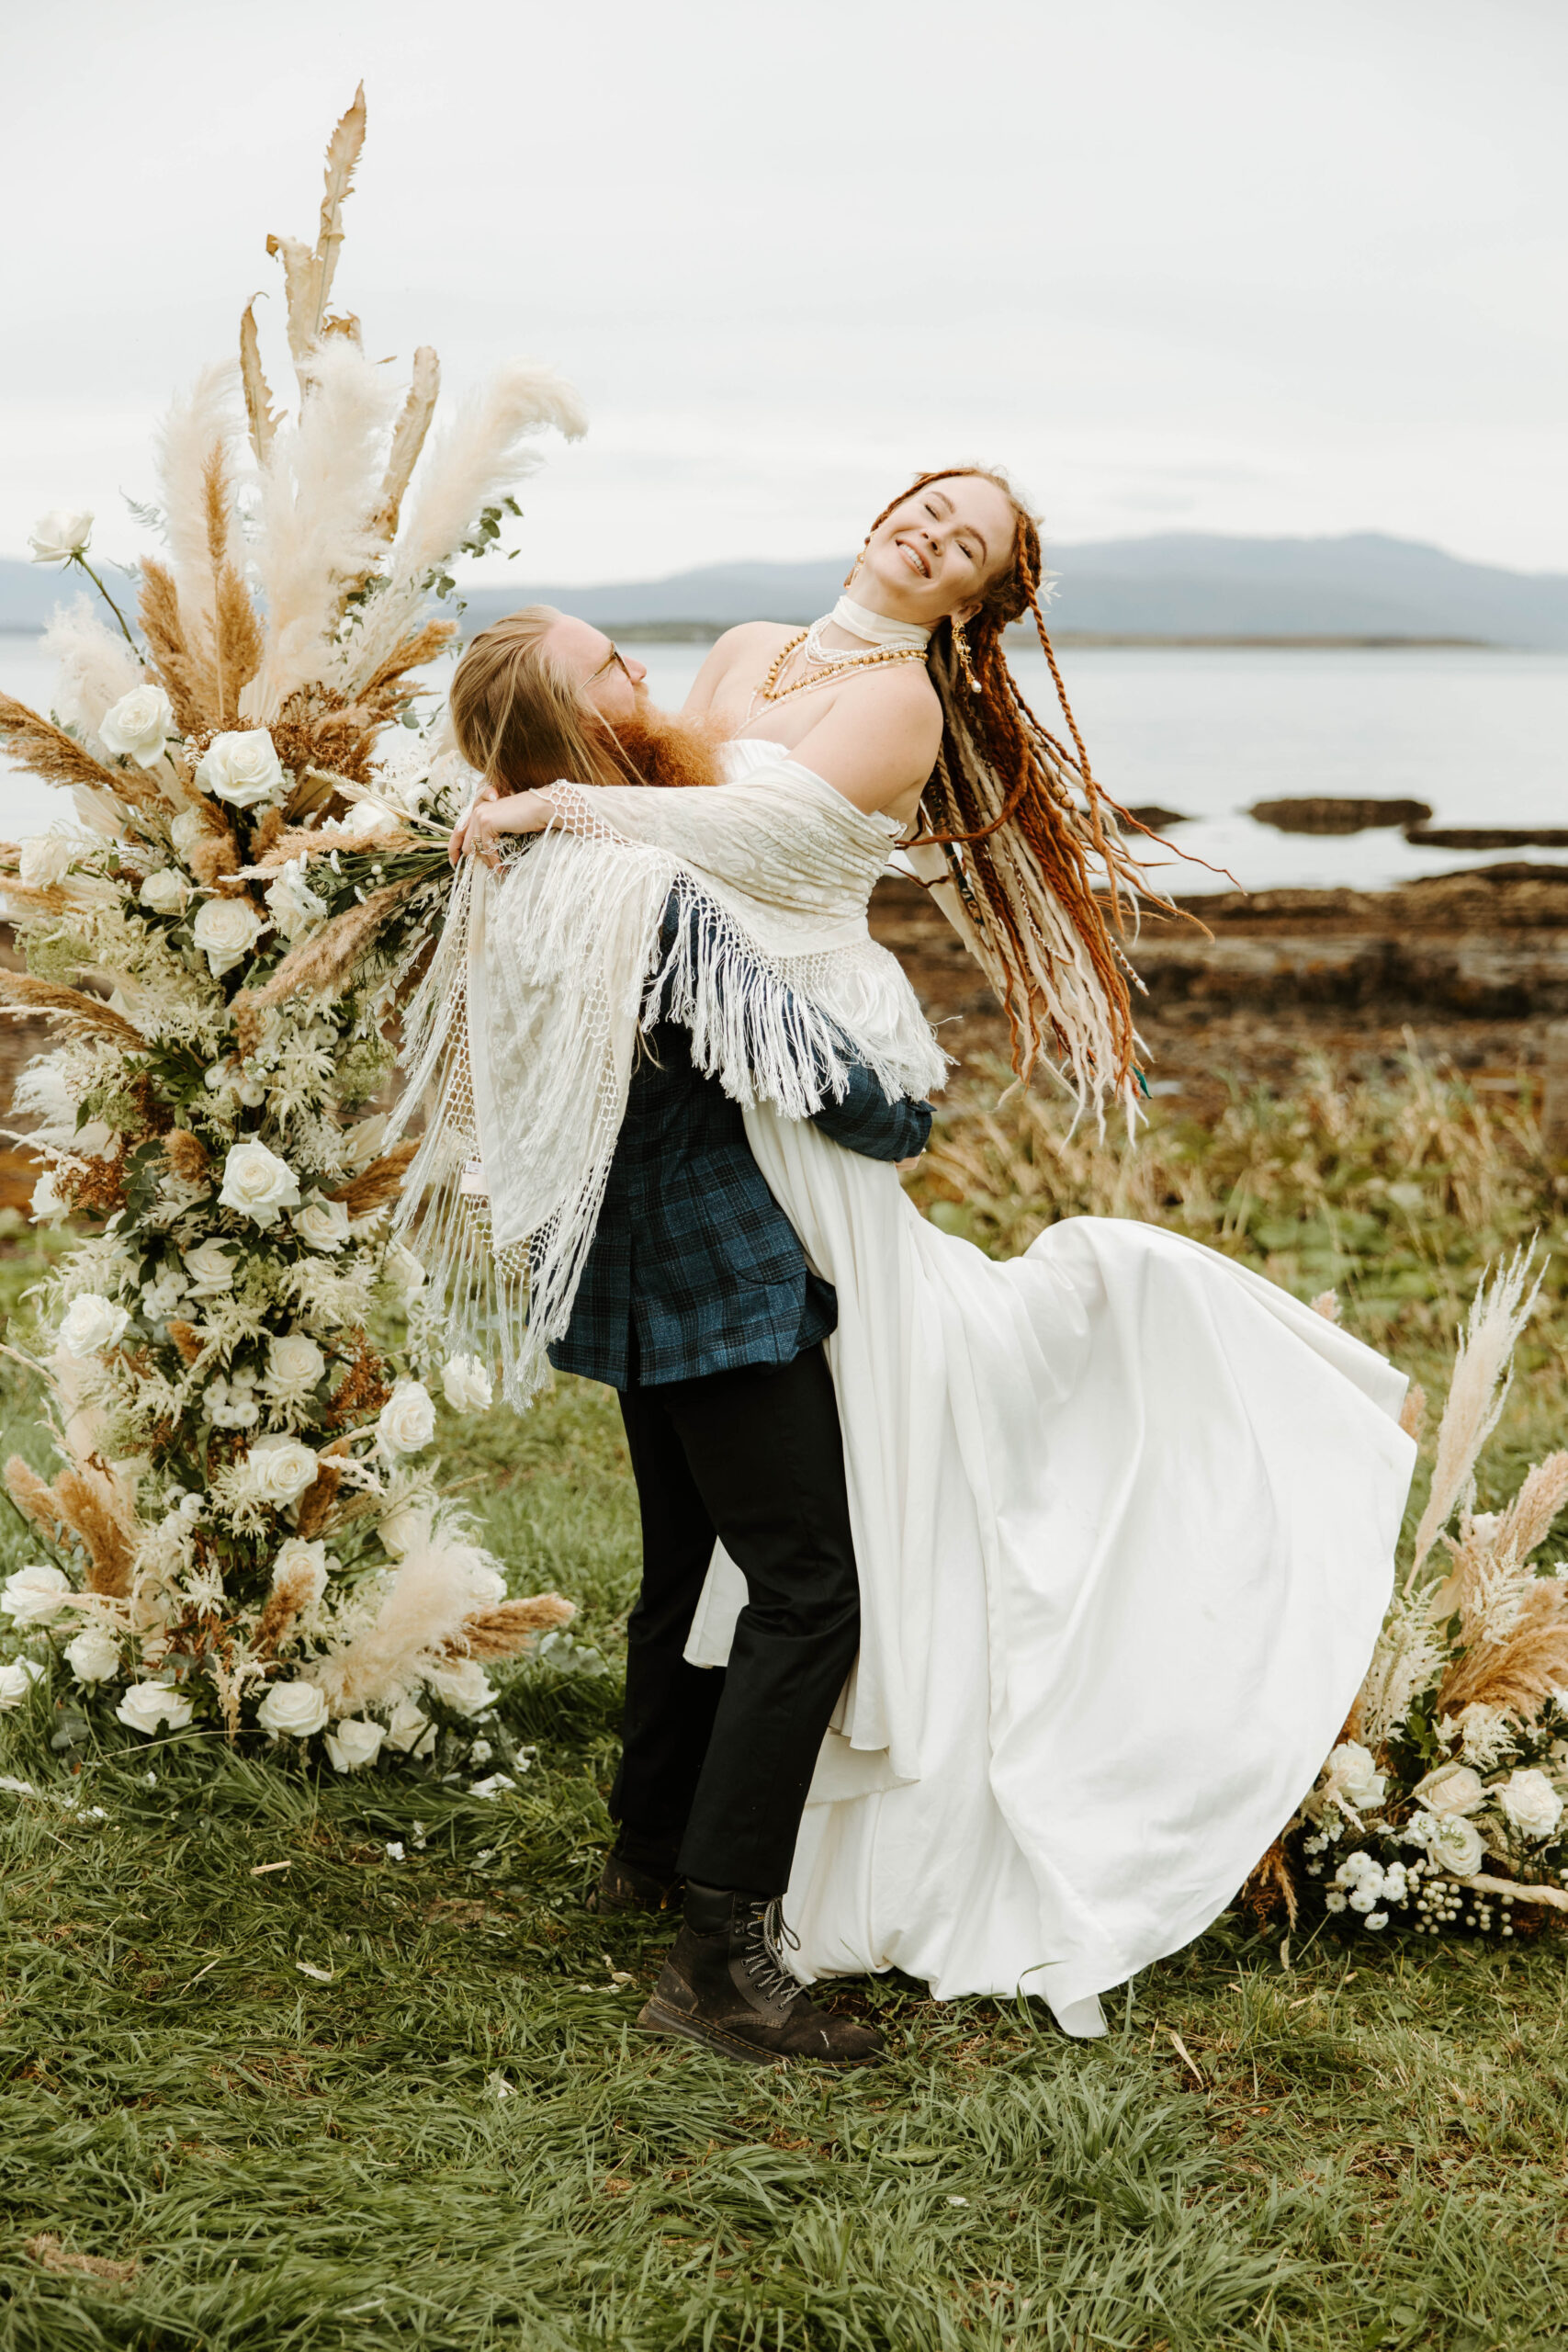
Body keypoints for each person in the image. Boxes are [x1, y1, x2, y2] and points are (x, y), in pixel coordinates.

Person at [425, 469, 1416, 2047]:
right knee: (768, 1546)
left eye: (972, 543)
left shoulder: (896, 707)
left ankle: (682, 1857)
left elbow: (738, 827)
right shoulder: (742, 658)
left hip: (765, 1071)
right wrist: (838, 1087)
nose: (934, 532)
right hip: (741, 1097)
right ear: (885, 508)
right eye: (930, 505)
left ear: (975, 601)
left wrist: (545, 807)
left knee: (780, 1506)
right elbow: (680, 819)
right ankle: (697, 1903)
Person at [435, 612, 931, 2067]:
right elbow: (800, 1058)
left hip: (611, 1260)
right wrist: (901, 1113)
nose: (643, 678)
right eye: (614, 670)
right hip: (717, 1274)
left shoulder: (519, 868)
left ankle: (645, 1849)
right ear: (584, 731)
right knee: (805, 1592)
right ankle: (723, 1961)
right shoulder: (648, 884)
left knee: (683, 1569)